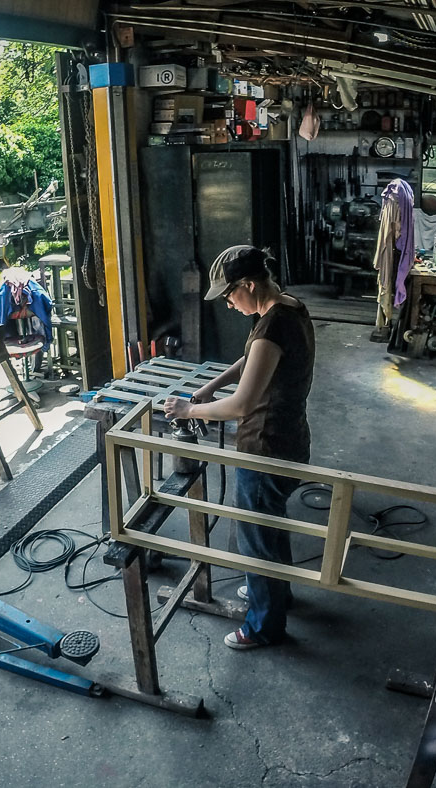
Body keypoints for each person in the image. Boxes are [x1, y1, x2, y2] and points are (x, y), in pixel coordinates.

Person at [164, 245, 315, 650]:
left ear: (249, 284)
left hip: (265, 449)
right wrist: (211, 385)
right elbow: (252, 359)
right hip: (291, 440)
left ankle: (265, 626)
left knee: (254, 538)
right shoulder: (287, 308)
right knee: (271, 525)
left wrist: (192, 407)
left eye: (230, 295)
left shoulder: (272, 325)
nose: (228, 304)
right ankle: (275, 592)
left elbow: (243, 405)